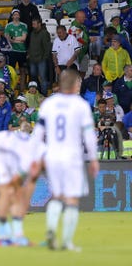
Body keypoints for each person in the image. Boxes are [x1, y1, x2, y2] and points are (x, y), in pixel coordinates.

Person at [34, 69, 99, 251]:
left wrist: (35, 156)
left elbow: (38, 133)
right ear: (75, 85)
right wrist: (93, 158)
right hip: (72, 156)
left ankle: (51, 231)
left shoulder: (49, 104)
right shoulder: (80, 105)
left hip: (53, 156)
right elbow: (89, 135)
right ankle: (67, 242)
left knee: (56, 195)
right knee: (71, 200)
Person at [0, 123, 43, 246]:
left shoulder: (36, 153)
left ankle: (18, 236)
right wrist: (22, 204)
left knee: (15, 194)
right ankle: (3, 237)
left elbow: (27, 188)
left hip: (5, 154)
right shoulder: (31, 156)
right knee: (7, 191)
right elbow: (20, 184)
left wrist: (21, 201)